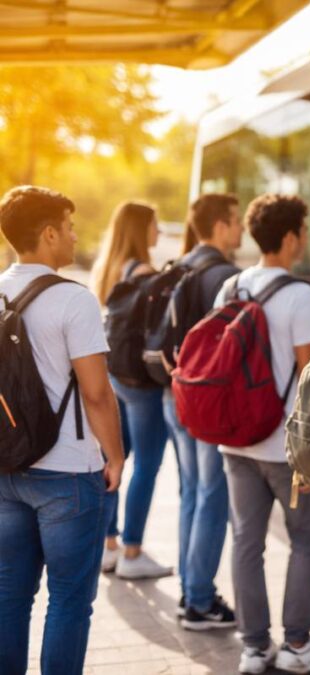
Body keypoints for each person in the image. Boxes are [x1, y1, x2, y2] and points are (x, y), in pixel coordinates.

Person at [0, 186, 125, 674]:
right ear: (49, 234)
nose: (75, 237)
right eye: (70, 228)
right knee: (70, 600)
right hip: (68, 472)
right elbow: (96, 393)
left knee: (9, 594)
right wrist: (115, 456)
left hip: (6, 467)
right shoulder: (74, 299)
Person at [216, 194, 310, 674]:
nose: (306, 239)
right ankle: (296, 644)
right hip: (286, 445)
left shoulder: (230, 287)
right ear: (290, 237)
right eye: (304, 231)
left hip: (235, 439)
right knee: (306, 539)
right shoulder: (301, 295)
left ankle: (253, 648)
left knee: (246, 541)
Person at [164, 194, 243, 629]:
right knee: (212, 497)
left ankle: (190, 590)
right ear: (219, 226)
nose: (242, 229)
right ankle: (198, 599)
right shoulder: (225, 276)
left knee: (193, 493)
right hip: (207, 403)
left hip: (174, 394)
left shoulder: (179, 266)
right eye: (236, 221)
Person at [89, 201, 173, 579]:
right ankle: (133, 551)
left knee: (114, 458)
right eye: (155, 224)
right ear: (142, 229)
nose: (159, 231)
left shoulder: (110, 269)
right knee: (147, 466)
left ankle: (109, 546)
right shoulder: (147, 275)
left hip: (115, 376)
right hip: (142, 383)